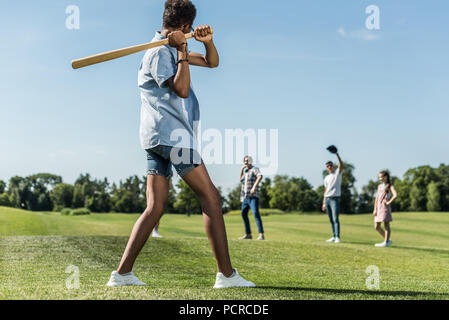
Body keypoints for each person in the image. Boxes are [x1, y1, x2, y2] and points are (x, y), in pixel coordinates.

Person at [107, 0, 255, 289]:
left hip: (156, 137)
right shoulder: (159, 52)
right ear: (185, 26)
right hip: (171, 136)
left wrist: (208, 42)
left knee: (155, 206)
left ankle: (122, 274)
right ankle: (226, 276)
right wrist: (184, 51)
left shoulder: (169, 48)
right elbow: (182, 89)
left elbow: (212, 62)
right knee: (211, 198)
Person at [239, 156, 265, 241]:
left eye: (247, 161)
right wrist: (242, 170)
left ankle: (261, 235)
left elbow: (260, 176)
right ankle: (248, 234)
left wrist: (254, 187)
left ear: (251, 161)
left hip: (253, 196)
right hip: (245, 197)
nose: (246, 162)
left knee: (255, 214)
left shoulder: (254, 169)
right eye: (245, 161)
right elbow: (241, 180)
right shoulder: (246, 171)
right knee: (243, 214)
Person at [321, 152, 344, 243]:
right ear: (326, 168)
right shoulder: (326, 178)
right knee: (331, 219)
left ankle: (337, 236)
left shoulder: (337, 173)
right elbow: (325, 190)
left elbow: (341, 164)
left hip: (335, 199)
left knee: (335, 218)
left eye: (330, 165)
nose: (329, 167)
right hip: (327, 199)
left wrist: (337, 154)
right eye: (327, 166)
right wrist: (323, 202)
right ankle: (334, 236)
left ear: (333, 166)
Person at [373, 170, 397, 247]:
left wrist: (388, 202)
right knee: (376, 226)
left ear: (386, 177)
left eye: (381, 177)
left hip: (385, 208)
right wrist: (375, 209)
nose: (380, 179)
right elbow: (377, 198)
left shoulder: (390, 186)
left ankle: (386, 242)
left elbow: (395, 195)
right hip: (379, 208)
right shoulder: (379, 186)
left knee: (386, 224)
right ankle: (387, 240)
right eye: (379, 177)